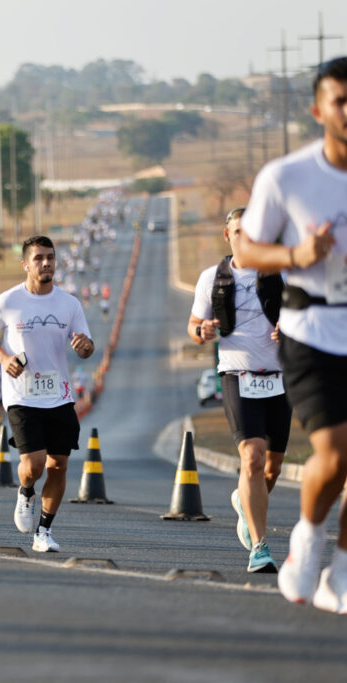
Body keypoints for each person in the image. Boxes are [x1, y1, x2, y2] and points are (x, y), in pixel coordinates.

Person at [237, 56, 347, 612]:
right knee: (335, 453)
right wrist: (296, 254)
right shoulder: (287, 177)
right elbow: (246, 251)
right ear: (318, 110)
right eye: (341, 101)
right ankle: (307, 537)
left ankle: (343, 569)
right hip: (313, 329)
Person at [188, 207, 290, 573]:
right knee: (252, 457)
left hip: (280, 377)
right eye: (237, 231)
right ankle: (260, 548)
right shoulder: (211, 278)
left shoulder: (282, 273)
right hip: (237, 374)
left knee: (272, 468)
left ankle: (245, 501)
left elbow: (306, 315)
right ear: (226, 235)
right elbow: (194, 325)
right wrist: (203, 333)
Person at [0, 235, 94, 553]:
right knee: (34, 464)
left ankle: (43, 531)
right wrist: (4, 359)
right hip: (22, 395)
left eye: (51, 257)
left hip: (60, 395)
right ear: (26, 264)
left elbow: (86, 345)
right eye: (39, 258)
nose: (46, 263)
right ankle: (26, 490)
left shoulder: (69, 304)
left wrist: (85, 347)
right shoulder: (8, 301)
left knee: (59, 465)